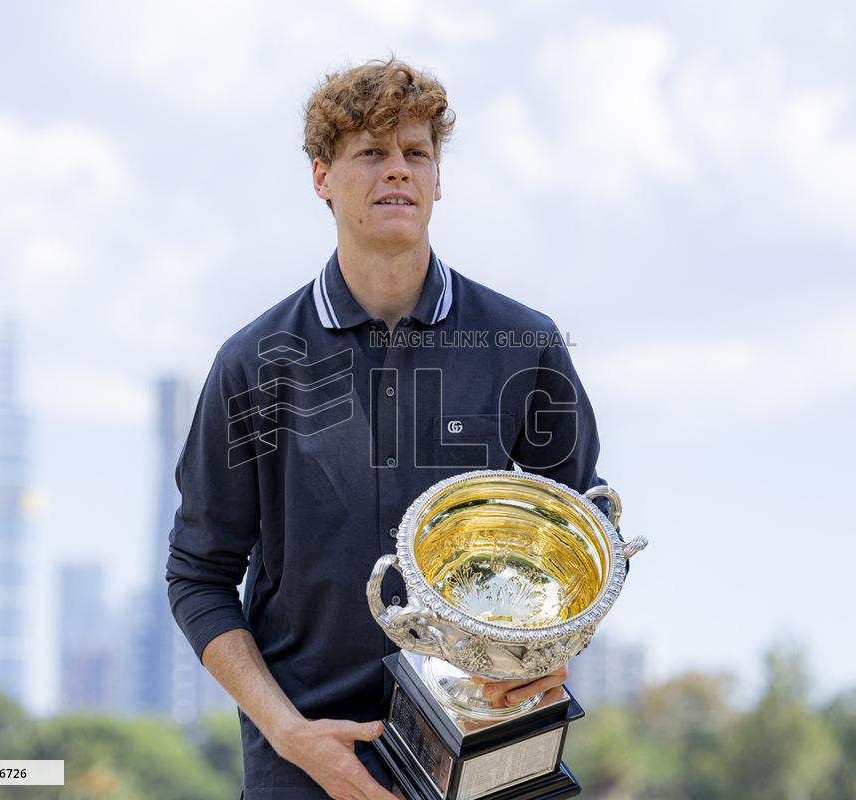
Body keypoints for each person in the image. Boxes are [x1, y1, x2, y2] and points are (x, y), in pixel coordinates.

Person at [166, 55, 614, 800]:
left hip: (495, 755)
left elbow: (587, 544)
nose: (397, 171)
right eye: (370, 153)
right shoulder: (253, 364)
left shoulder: (523, 343)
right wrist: (290, 736)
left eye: (416, 154)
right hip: (308, 768)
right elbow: (199, 574)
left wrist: (554, 653)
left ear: (439, 179)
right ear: (321, 177)